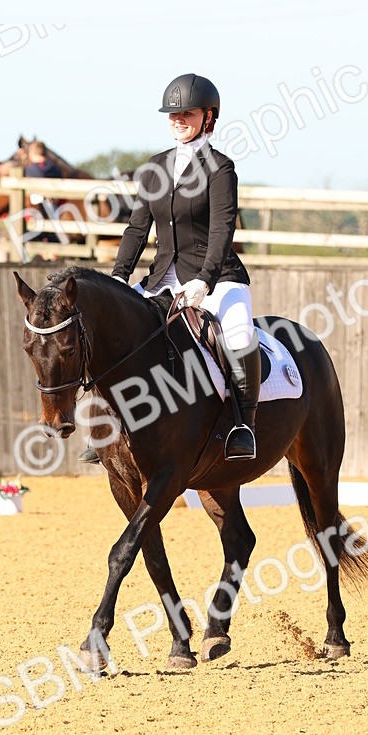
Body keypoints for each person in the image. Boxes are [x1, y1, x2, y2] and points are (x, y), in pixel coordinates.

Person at [108, 72, 259, 462]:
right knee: (117, 334)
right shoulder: (155, 167)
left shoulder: (220, 168)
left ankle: (243, 425)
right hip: (162, 278)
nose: (177, 119)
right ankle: (111, 422)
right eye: (172, 114)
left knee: (239, 335)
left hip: (217, 276)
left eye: (186, 113)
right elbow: (137, 228)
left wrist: (205, 281)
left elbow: (223, 229)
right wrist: (118, 279)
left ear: (208, 117)